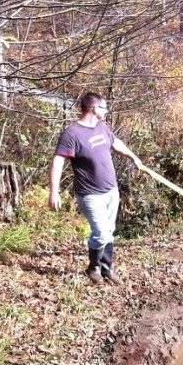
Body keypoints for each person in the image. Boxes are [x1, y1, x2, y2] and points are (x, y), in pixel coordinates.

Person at [48, 92, 142, 285]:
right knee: (101, 232)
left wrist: (134, 158)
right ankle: (93, 267)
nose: (106, 110)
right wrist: (54, 191)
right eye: (104, 107)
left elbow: (116, 143)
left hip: (111, 191)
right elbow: (58, 161)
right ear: (94, 108)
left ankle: (107, 268)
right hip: (90, 194)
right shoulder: (72, 134)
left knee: (109, 230)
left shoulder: (101, 127)